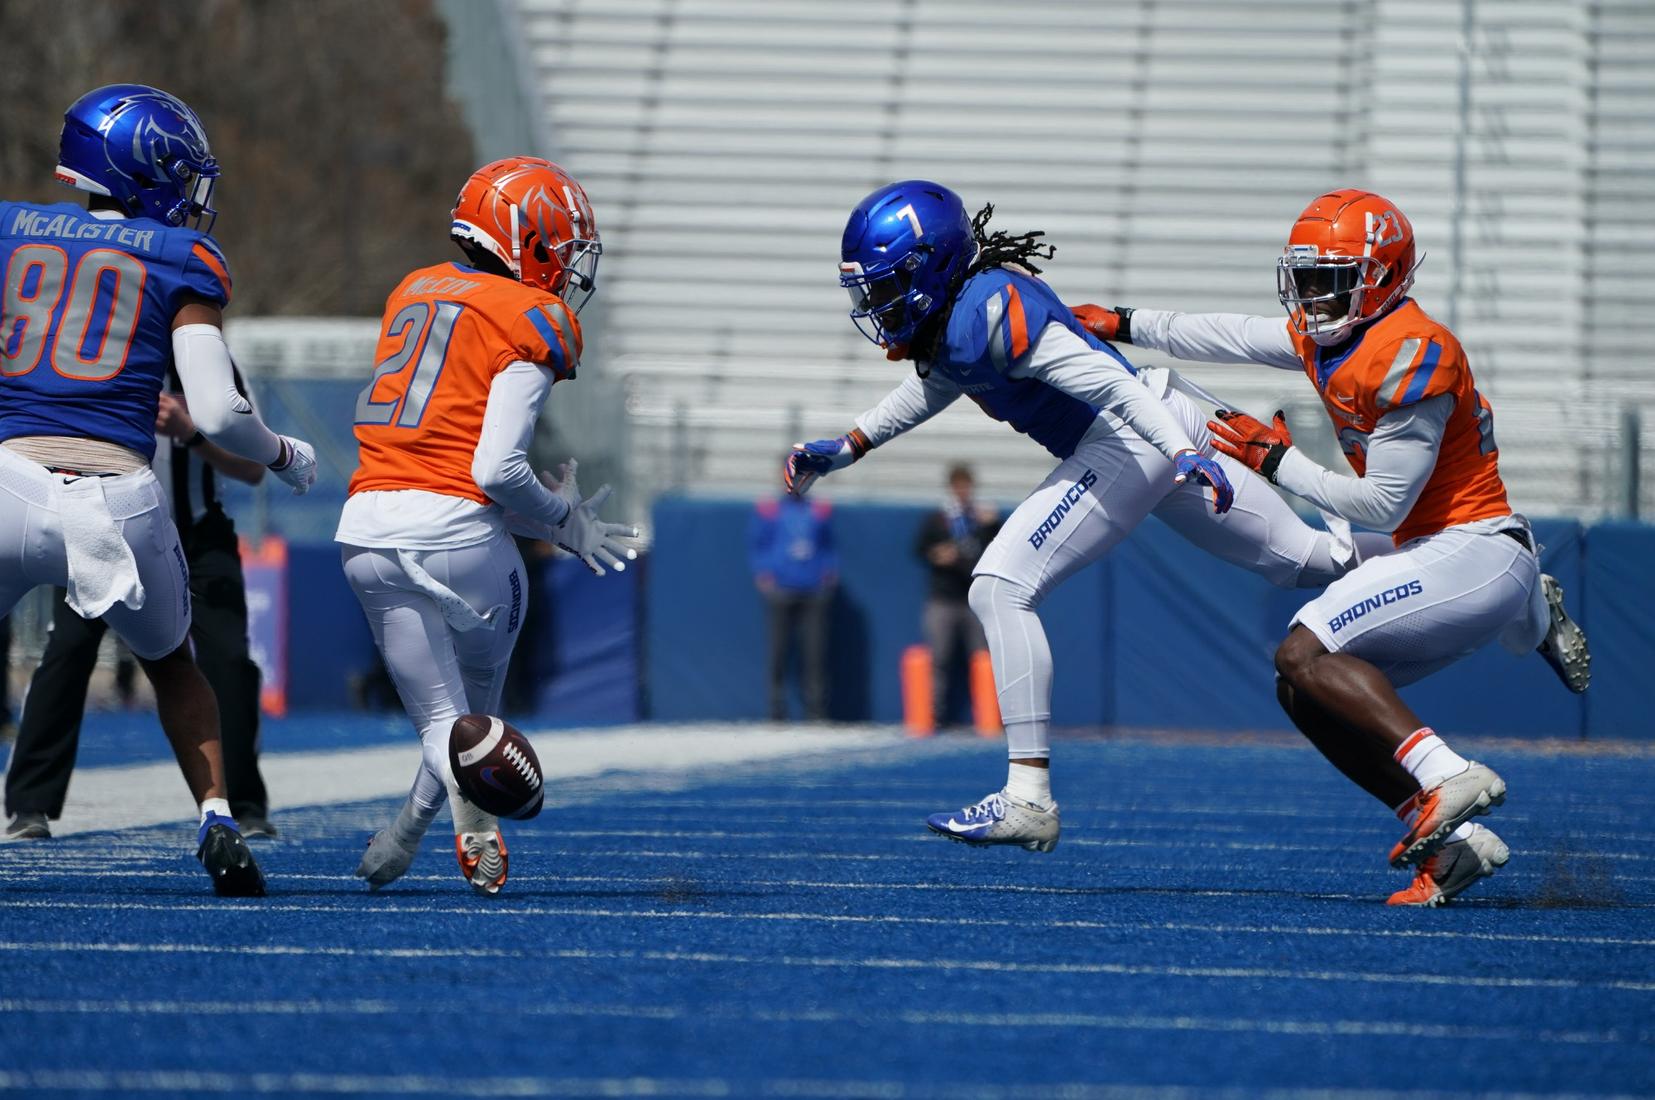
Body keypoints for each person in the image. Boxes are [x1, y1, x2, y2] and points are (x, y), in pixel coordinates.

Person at [787, 180, 1381, 855]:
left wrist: (1181, 452)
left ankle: (1027, 797)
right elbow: (935, 384)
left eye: (888, 285)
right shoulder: (960, 321)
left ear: (929, 266)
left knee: (998, 586)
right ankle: (1458, 552)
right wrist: (851, 444)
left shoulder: (988, 310)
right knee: (1309, 561)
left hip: (1133, 432)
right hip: (1155, 424)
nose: (880, 305)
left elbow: (1106, 383)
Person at [1072, 187, 1592, 905]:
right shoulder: (1339, 336)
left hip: (1470, 548)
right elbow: (1223, 332)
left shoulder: (1411, 352)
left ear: (1380, 276)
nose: (1312, 295)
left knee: (1301, 648)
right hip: (1444, 555)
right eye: (1306, 277)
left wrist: (1274, 461)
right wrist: (1123, 321)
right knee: (1303, 690)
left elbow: (1384, 502)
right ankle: (1452, 847)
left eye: (1329, 278)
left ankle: (1447, 771)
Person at [0, 84, 316, 895]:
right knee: (177, 667)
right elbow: (216, 408)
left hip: (8, 480)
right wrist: (284, 453)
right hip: (116, 496)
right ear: (144, 168)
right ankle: (216, 814)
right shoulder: (179, 257)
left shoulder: (9, 230)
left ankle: (30, 804)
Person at [339, 155, 637, 896]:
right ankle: (455, 823)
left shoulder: (414, 288)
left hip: (367, 530)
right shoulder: (534, 317)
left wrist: (546, 517)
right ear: (527, 239)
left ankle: (405, 839)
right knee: (476, 720)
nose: (569, 266)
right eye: (563, 244)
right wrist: (562, 517)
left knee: (447, 725)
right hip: (461, 545)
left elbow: (437, 464)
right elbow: (495, 472)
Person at [5, 368, 274, 840]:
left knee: (226, 660)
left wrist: (192, 434)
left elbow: (252, 466)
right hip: (105, 524)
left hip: (195, 533)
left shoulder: (208, 363)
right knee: (68, 649)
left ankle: (243, 806)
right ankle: (31, 804)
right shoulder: (101, 350)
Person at [915, 464, 1000, 727]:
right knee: (939, 658)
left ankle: (988, 717)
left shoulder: (982, 519)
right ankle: (933, 716)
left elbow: (998, 547)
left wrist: (992, 525)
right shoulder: (939, 519)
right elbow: (919, 550)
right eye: (959, 486)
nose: (963, 491)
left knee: (982, 659)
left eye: (967, 486)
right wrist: (937, 555)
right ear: (952, 487)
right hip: (943, 598)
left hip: (974, 599)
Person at [748, 487, 838, 722]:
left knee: (815, 652)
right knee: (778, 650)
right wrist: (764, 573)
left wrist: (828, 573)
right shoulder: (771, 509)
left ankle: (816, 710)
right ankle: (776, 708)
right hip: (782, 588)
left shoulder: (819, 510)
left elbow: (829, 546)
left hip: (813, 589)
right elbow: (759, 544)